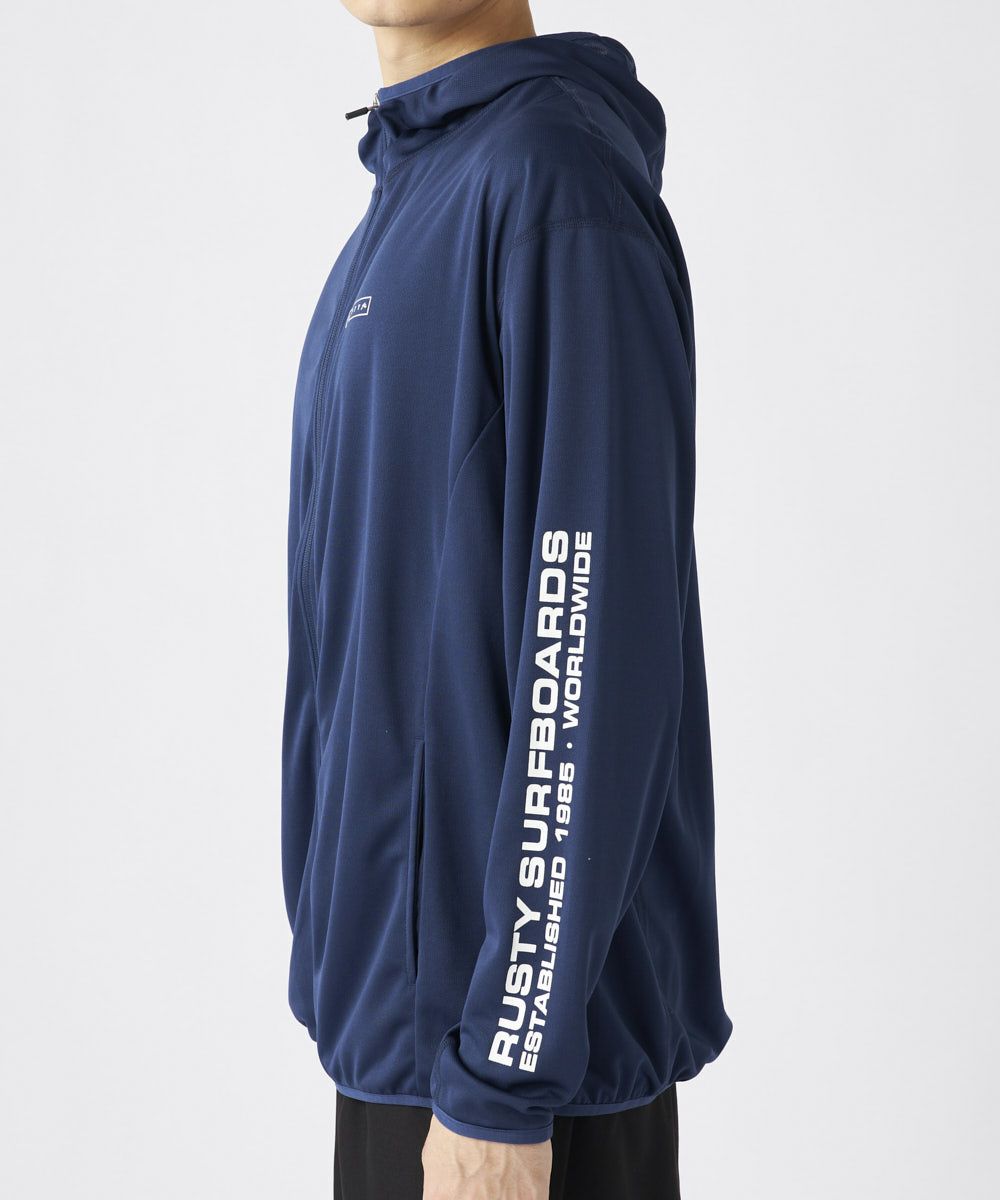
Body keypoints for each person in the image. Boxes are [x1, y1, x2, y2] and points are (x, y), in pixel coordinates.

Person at [281, 2, 732, 1196]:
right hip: (402, 1042)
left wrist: (504, 1071)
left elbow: (591, 635)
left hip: (508, 1081)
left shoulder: (551, 181)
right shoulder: (407, 200)